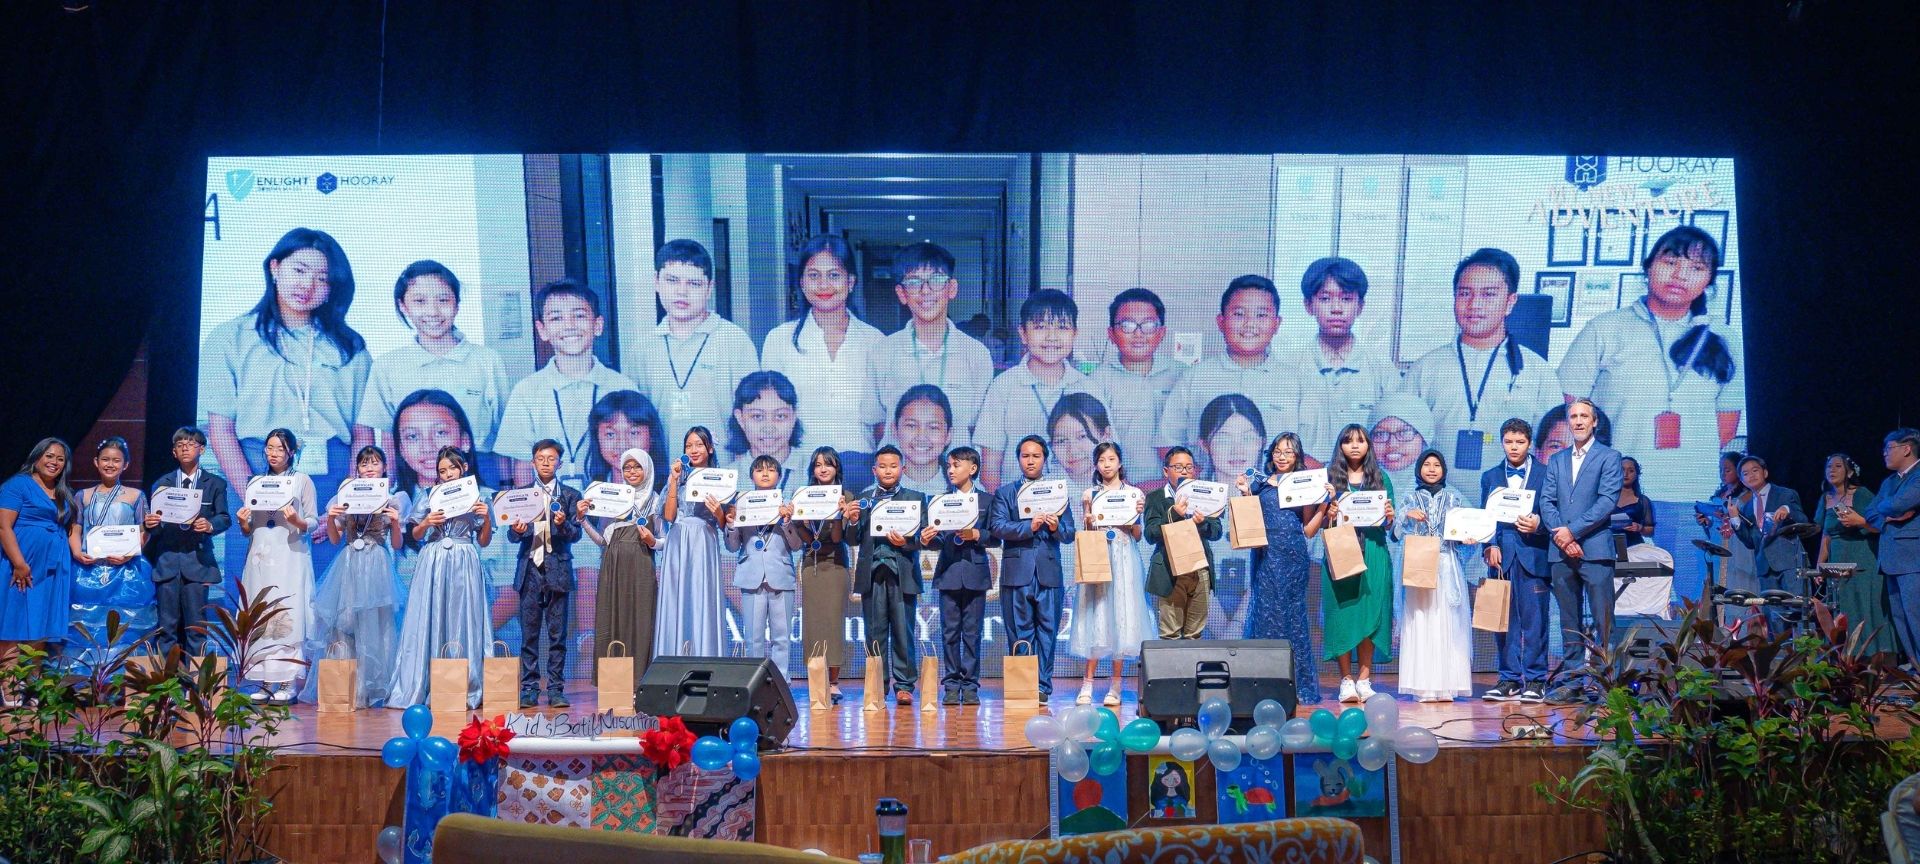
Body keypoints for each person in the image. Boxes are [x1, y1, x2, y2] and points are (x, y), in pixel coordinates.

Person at [1560, 226, 1744, 603]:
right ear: (1648, 267)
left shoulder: (1724, 339)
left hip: (1691, 496)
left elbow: (1726, 428)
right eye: (1670, 261)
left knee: (1686, 602)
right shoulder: (1606, 328)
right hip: (1616, 496)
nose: (1680, 275)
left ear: (1709, 280)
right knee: (1620, 598)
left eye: (1696, 267)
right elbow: (1569, 411)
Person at [201, 228, 370, 579]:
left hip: (331, 480)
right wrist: (255, 496)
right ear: (275, 268)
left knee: (327, 589)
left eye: (322, 278)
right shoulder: (230, 337)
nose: (308, 285)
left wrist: (344, 503)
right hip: (253, 471)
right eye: (299, 270)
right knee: (256, 590)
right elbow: (221, 430)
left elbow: (362, 435)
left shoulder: (349, 347)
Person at [1401, 248, 1560, 500]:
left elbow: (1554, 451)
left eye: (1488, 294)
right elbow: (1400, 446)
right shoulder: (1424, 369)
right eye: (1465, 293)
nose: (1474, 304)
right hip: (1434, 505)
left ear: (1510, 302)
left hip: (1511, 510)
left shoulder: (1538, 372)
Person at [357, 261, 513, 485]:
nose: (432, 311)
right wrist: (389, 488)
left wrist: (506, 485)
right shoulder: (387, 366)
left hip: (479, 471)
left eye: (443, 300)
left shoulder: (486, 360)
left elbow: (504, 434)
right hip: (416, 475)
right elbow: (389, 437)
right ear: (403, 306)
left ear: (457, 304)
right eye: (420, 301)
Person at [495, 279, 639, 488]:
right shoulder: (526, 391)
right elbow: (523, 465)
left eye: (579, 316)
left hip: (612, 501)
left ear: (598, 325)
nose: (569, 325)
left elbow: (638, 456)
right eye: (556, 318)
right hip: (548, 504)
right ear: (542, 330)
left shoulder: (623, 387)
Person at [761, 235, 883, 471]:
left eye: (834, 275)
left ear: (851, 282)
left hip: (861, 467)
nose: (824, 285)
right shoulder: (779, 340)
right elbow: (768, 414)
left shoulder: (875, 341)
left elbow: (882, 421)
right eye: (814, 275)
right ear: (802, 282)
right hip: (798, 469)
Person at [1156, 276, 1298, 475]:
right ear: (1221, 322)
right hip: (1207, 492)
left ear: (1276, 324)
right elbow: (1168, 443)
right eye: (1239, 314)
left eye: (1261, 315)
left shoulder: (1296, 382)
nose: (1250, 324)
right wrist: (1201, 482)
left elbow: (1311, 454)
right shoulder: (1194, 378)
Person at [389, 447, 493, 709]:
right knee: (431, 617)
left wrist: (486, 519)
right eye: (442, 470)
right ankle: (428, 683)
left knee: (463, 617)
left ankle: (464, 684)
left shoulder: (477, 496)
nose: (447, 474)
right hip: (433, 558)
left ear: (464, 468)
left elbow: (484, 541)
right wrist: (427, 523)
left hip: (464, 557)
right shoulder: (428, 495)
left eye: (452, 468)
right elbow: (414, 535)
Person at [303, 444, 406, 708]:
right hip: (349, 561)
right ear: (357, 469)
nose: (369, 468)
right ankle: (345, 688)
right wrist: (331, 519)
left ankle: (371, 688)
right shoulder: (345, 495)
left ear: (384, 468)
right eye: (364, 463)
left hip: (376, 562)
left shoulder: (392, 499)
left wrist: (395, 522)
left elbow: (396, 544)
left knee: (376, 625)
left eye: (375, 463)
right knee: (343, 625)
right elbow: (335, 538)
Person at [634, 240, 758, 452]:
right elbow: (634, 422)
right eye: (672, 280)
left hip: (723, 466)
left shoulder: (735, 340)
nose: (682, 292)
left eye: (694, 284)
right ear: (656, 282)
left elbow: (754, 414)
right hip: (663, 469)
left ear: (709, 288)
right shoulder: (643, 348)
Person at [868, 242, 997, 447]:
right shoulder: (882, 351)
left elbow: (979, 427)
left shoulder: (976, 354)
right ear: (901, 293)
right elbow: (877, 424)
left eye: (936, 280)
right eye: (913, 282)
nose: (925, 290)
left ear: (951, 288)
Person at [1540, 398, 1624, 704]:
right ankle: (1574, 683)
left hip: (1595, 550)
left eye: (1584, 416)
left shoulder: (1609, 457)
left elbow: (1607, 501)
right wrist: (1562, 537)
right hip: (1561, 551)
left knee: (1604, 621)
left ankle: (1606, 684)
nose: (1578, 421)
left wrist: (1572, 531)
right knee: (1569, 622)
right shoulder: (1557, 460)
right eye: (1573, 416)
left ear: (1594, 422)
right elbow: (1546, 501)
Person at [976, 290, 1104, 489]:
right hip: (1018, 504)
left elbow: (1107, 455)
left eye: (1062, 327)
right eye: (1040, 327)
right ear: (1023, 334)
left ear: (1075, 334)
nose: (1052, 337)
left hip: (1080, 503)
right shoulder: (1003, 387)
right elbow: (990, 468)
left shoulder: (1088, 387)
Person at [1236, 432, 1327, 706]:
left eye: (1288, 451)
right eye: (1277, 451)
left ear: (1297, 455)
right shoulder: (1260, 484)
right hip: (1265, 554)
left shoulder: (1305, 485)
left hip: (1294, 557)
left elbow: (1309, 531)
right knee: (1264, 615)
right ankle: (1261, 687)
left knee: (1293, 619)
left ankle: (1297, 686)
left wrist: (1323, 503)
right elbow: (1248, 520)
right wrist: (1244, 493)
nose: (1282, 456)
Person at [235, 428, 319, 704]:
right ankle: (264, 681)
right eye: (269, 448)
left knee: (286, 613)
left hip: (290, 555)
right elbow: (249, 529)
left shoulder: (301, 481)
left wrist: (297, 521)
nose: (273, 453)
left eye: (280, 448)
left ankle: (287, 681)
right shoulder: (256, 482)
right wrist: (243, 522)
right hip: (260, 556)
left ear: (291, 452)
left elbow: (313, 521)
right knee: (260, 614)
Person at [990, 435, 1076, 703]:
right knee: (1019, 632)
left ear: (1044, 459)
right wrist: (1031, 526)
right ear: (1018, 459)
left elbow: (1069, 533)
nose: (1030, 461)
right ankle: (1022, 686)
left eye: (1036, 456)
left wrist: (1055, 526)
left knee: (1048, 632)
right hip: (1017, 573)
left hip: (1049, 573)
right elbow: (998, 527)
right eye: (1025, 456)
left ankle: (1042, 687)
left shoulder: (1057, 493)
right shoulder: (1005, 493)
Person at [1290, 258, 1401, 463]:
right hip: (1302, 479)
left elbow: (1398, 439)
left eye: (1346, 299)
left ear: (1360, 307)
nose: (1336, 308)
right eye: (1325, 299)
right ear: (1308, 305)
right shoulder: (1289, 368)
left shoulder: (1382, 370)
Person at [1070, 442, 1153, 707]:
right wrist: (1087, 516)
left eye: (1111, 459)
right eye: (1101, 460)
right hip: (1098, 556)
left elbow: (1137, 535)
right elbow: (1087, 532)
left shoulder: (1134, 494)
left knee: (1122, 615)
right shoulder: (1090, 494)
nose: (1106, 464)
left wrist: (1135, 518)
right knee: (1096, 613)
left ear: (1120, 462)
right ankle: (1087, 683)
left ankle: (1116, 685)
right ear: (1096, 465)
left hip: (1124, 556)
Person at [843, 445, 925, 704]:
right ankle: (877, 684)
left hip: (903, 573)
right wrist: (852, 521)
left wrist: (907, 542)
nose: (888, 471)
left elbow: (924, 538)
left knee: (903, 631)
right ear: (874, 470)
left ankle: (905, 685)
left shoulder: (915, 498)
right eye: (882, 466)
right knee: (874, 632)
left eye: (893, 466)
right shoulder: (863, 499)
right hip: (872, 574)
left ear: (903, 469)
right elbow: (852, 539)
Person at [141, 427, 231, 659]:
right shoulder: (162, 483)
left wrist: (209, 525)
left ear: (202, 449)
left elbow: (224, 518)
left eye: (190, 444)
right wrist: (150, 524)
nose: (185, 448)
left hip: (198, 561)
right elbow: (157, 526)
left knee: (196, 628)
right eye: (180, 445)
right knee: (165, 627)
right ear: (174, 452)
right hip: (168, 561)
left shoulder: (215, 483)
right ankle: (164, 679)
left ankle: (198, 678)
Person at [506, 439, 584, 707]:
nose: (546, 463)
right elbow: (512, 536)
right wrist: (517, 530)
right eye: (541, 458)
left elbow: (576, 535)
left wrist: (562, 525)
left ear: (559, 464)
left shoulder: (570, 495)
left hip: (558, 570)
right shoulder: (521, 494)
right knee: (529, 635)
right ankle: (529, 689)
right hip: (529, 570)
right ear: (533, 462)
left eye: (551, 459)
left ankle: (555, 689)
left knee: (557, 635)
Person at [1394, 450, 1476, 702]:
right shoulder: (1409, 498)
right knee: (1421, 620)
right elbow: (1395, 533)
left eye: (1436, 465)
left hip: (1447, 565)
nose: (1431, 469)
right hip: (1419, 566)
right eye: (1426, 464)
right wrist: (1405, 516)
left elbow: (1465, 537)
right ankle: (1423, 686)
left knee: (1448, 621)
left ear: (1444, 470)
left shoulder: (1454, 498)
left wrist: (1467, 539)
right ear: (1418, 469)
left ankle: (1448, 686)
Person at [1323, 423, 1396, 702]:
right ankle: (1346, 680)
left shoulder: (1381, 477)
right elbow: (1318, 522)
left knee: (1370, 614)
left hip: (1374, 550)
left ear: (1368, 445)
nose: (1354, 445)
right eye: (1348, 440)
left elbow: (1388, 523)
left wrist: (1389, 516)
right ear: (1340, 446)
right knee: (1343, 614)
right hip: (1341, 550)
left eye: (1360, 440)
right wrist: (1328, 513)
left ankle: (1364, 680)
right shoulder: (1330, 478)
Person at [1481, 418, 1551, 704]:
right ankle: (1509, 679)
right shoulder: (1490, 476)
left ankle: (1536, 679)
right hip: (1501, 557)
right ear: (1502, 442)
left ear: (1529, 443)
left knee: (1535, 621)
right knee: (1503, 621)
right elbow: (1485, 516)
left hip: (1534, 554)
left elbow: (1553, 513)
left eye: (1520, 442)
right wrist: (1489, 545)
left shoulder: (1545, 473)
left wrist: (1539, 525)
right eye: (1509, 442)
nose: (1514, 447)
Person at [580, 447, 662, 694]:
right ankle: (614, 685)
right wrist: (582, 519)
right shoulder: (613, 498)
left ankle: (640, 683)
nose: (632, 472)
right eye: (627, 467)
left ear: (647, 469)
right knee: (612, 620)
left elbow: (665, 540)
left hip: (641, 565)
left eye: (637, 467)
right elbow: (603, 540)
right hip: (612, 567)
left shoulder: (656, 500)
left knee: (640, 621)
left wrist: (652, 541)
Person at [67, 437, 154, 658]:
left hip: (126, 570)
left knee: (125, 625)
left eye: (116, 460)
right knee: (85, 624)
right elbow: (75, 528)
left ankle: (122, 672)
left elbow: (143, 531)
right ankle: (83, 673)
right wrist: (77, 552)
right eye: (105, 459)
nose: (110, 464)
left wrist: (128, 554)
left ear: (126, 464)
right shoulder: (82, 495)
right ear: (96, 462)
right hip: (87, 569)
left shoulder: (136, 495)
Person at [0, 438, 75, 689]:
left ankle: (32, 684)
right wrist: (19, 563)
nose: (54, 462)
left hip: (53, 570)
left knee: (42, 623)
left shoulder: (63, 491)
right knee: (14, 622)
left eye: (60, 459)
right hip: (22, 566)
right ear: (37, 457)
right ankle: (9, 684)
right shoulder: (18, 484)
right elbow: (3, 527)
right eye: (49, 456)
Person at [1088, 288, 1181, 484]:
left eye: (1148, 325)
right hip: (1120, 492)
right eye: (1127, 325)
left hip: (1178, 489)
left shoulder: (1183, 376)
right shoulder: (1096, 383)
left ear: (1162, 332)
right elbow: (1095, 446)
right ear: (1111, 334)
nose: (1138, 333)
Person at [923, 446, 992, 705]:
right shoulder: (939, 501)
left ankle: (971, 685)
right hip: (949, 572)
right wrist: (926, 538)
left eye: (956, 465)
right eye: (949, 466)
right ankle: (951, 684)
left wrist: (977, 534)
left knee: (972, 634)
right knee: (949, 632)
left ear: (972, 468)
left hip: (975, 573)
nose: (950, 470)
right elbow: (937, 540)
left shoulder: (987, 501)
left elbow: (996, 536)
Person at [725, 455, 804, 678]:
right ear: (751, 476)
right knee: (753, 638)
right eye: (759, 470)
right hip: (751, 576)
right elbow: (732, 547)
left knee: (781, 637)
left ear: (779, 475)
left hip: (781, 576)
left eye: (771, 469)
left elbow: (796, 545)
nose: (765, 473)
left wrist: (787, 522)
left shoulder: (788, 506)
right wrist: (731, 525)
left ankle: (781, 682)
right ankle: (755, 682)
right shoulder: (741, 504)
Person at [1814, 453, 1897, 657]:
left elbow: (1879, 526)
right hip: (1837, 560)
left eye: (1838, 466)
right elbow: (1826, 535)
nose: (1832, 470)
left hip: (1862, 557)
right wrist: (1819, 566)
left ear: (1849, 472)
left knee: (1866, 604)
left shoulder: (1861, 494)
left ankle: (1877, 655)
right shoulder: (1826, 498)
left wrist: (1859, 521)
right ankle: (1849, 657)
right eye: (1829, 467)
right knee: (1845, 606)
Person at [1197, 395, 1265, 640]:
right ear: (1204, 445)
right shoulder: (1189, 499)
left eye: (1247, 438)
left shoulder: (1270, 499)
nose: (1237, 450)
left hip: (1257, 618)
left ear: (1262, 442)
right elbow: (1188, 572)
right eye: (1224, 438)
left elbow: (1267, 570)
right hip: (1200, 620)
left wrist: (1237, 626)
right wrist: (1223, 631)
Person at [656, 427, 727, 658]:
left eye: (699, 444)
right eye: (689, 446)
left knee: (702, 598)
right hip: (678, 541)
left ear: (710, 448)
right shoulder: (678, 478)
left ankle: (705, 656)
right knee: (677, 599)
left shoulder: (721, 480)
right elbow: (668, 516)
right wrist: (674, 481)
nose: (694, 450)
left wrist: (718, 512)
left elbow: (725, 524)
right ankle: (673, 658)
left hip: (704, 541)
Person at [793, 447, 855, 703]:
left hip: (836, 564)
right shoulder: (804, 495)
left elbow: (838, 538)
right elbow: (808, 538)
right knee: (812, 625)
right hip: (812, 563)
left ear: (836, 467)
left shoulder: (846, 496)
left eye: (828, 464)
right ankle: (816, 679)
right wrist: (797, 521)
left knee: (833, 624)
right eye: (818, 465)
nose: (823, 469)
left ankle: (833, 682)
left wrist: (839, 515)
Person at [1721, 456, 1808, 632]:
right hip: (1764, 568)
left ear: (1765, 472)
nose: (1751, 475)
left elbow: (1803, 520)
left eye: (1755, 470)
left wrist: (1787, 510)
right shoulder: (1746, 507)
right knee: (1774, 616)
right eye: (1746, 473)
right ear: (1742, 480)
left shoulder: (1785, 494)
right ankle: (1779, 649)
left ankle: (1803, 648)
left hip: (1790, 563)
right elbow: (1750, 541)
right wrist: (1735, 518)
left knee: (1798, 610)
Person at [1144, 446, 1222, 640]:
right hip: (1169, 570)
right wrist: (1174, 514)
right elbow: (1150, 534)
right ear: (1166, 471)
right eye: (1178, 467)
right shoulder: (1155, 498)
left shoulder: (1206, 494)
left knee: (1194, 634)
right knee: (1169, 634)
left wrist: (1202, 522)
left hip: (1200, 568)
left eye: (1189, 467)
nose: (1185, 471)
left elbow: (1216, 532)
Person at [1864, 429, 1920, 663]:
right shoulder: (1889, 482)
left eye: (1889, 448)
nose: (1885, 453)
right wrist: (1886, 516)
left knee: (1916, 616)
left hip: (1912, 559)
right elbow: (1869, 511)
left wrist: (1887, 509)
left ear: (1906, 449)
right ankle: (1916, 670)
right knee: (1900, 618)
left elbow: (1899, 504)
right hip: (1890, 559)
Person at [724, 370, 811, 490]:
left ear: (794, 416)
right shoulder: (726, 480)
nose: (769, 428)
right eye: (757, 416)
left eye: (780, 416)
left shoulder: (815, 472)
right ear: (740, 418)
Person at [391, 389, 477, 501]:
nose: (427, 447)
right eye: (412, 436)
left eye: (440, 433)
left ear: (465, 441)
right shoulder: (389, 505)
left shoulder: (490, 503)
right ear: (401, 449)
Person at [586, 391, 668, 495]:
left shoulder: (671, 494)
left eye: (633, 433)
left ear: (652, 436)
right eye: (610, 434)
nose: (622, 445)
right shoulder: (590, 495)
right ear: (597, 438)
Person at [1369, 392, 1436, 504]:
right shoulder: (1353, 492)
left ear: (1424, 438)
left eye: (1404, 432)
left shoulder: (1448, 500)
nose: (1392, 444)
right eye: (1380, 434)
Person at [893, 385, 956, 497]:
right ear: (895, 430)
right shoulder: (873, 497)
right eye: (911, 426)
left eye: (933, 427)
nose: (921, 436)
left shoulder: (970, 495)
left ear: (948, 435)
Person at [1049, 393, 1113, 487]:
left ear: (1105, 435)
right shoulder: (1046, 489)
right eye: (1061, 441)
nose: (1073, 451)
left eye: (1082, 436)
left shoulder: (1124, 485)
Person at [1611, 457, 1654, 546]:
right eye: (1622, 470)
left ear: (1637, 474)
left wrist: (1640, 528)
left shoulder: (1643, 501)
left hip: (1633, 547)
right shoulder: (1606, 498)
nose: (1625, 474)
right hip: (1607, 546)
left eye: (1631, 471)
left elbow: (1650, 531)